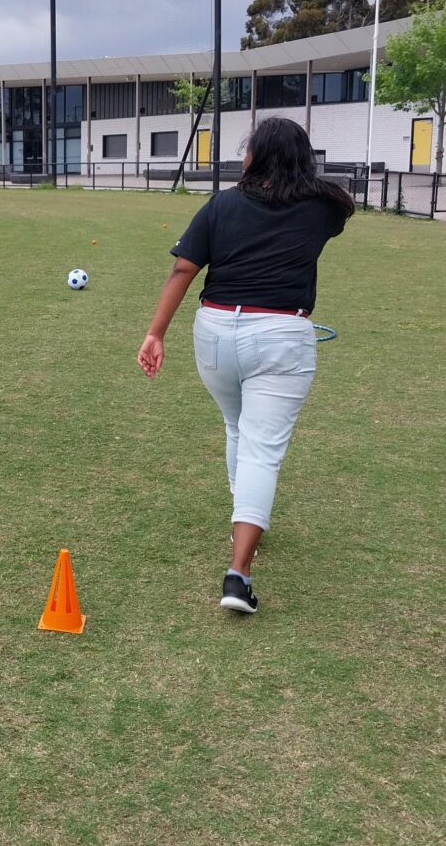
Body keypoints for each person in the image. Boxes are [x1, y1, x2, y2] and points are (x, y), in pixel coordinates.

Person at [136, 117, 354, 614]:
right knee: (262, 451)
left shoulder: (222, 204)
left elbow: (183, 269)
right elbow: (339, 201)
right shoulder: (324, 207)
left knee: (239, 428)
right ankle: (238, 574)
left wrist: (155, 333)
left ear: (254, 155)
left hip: (215, 332)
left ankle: (245, 519)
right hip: (280, 334)